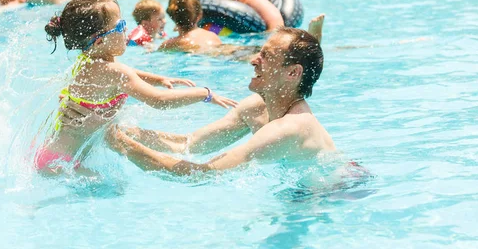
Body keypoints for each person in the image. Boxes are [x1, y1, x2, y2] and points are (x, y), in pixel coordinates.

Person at [101, 15, 334, 175]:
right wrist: (119, 131)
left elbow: (201, 174)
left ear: (293, 72)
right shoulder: (256, 107)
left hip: (335, 195)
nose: (254, 61)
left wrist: (119, 144)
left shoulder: (290, 128)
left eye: (266, 56)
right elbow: (188, 144)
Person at [37, 0, 238, 175]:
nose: (126, 29)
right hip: (62, 165)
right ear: (99, 42)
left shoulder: (89, 60)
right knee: (112, 190)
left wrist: (158, 79)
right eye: (120, 26)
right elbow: (159, 101)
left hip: (51, 154)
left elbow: (126, 72)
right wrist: (203, 93)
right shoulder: (114, 72)